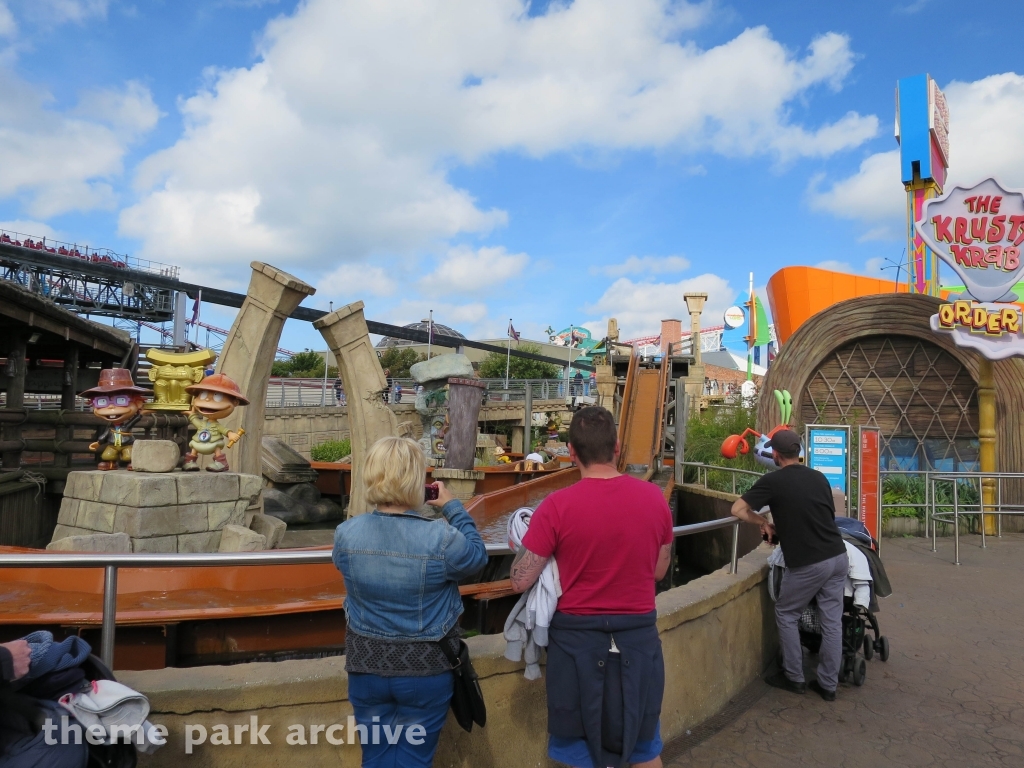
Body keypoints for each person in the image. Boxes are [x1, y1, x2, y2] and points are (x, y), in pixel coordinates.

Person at [511, 406, 673, 768]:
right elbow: (659, 571)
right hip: (639, 640)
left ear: (571, 451)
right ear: (617, 448)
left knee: (579, 751)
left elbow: (520, 579)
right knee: (644, 746)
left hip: (576, 647)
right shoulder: (654, 501)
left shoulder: (555, 507)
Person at [332, 437, 488, 767]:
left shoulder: (346, 534)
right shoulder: (440, 538)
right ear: (417, 481)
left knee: (375, 756)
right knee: (414, 759)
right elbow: (476, 558)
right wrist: (452, 507)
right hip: (425, 668)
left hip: (365, 665)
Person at [730, 429, 849, 702]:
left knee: (786, 613)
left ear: (775, 454)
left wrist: (764, 523)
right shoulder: (818, 477)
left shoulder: (773, 481)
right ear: (799, 453)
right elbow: (819, 514)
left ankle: (794, 677)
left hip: (810, 561)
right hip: (838, 556)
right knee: (831, 621)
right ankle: (828, 685)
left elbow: (737, 509)